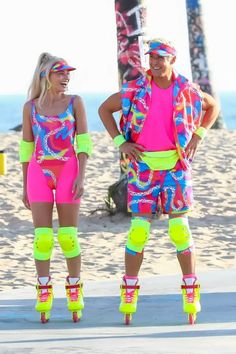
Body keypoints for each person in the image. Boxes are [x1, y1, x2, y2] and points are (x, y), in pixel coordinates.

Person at [98, 38, 220, 324]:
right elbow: (104, 109)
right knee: (138, 231)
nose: (154, 62)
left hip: (176, 167)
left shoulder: (186, 90)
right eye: (151, 57)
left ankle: (190, 289)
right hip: (143, 169)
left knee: (179, 229)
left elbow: (211, 107)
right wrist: (121, 142)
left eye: (160, 58)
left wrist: (198, 137)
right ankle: (129, 289)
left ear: (172, 60)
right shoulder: (134, 90)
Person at [19, 53, 92, 323]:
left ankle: (74, 287)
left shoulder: (75, 103)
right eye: (60, 72)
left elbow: (83, 143)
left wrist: (81, 176)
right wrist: (25, 184)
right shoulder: (30, 107)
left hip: (68, 171)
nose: (66, 77)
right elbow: (27, 148)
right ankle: (44, 289)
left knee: (68, 237)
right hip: (39, 171)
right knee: (43, 238)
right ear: (45, 76)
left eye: (68, 73)